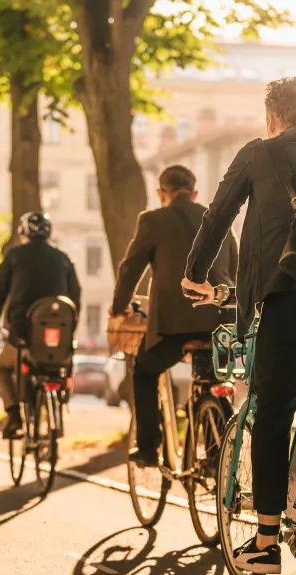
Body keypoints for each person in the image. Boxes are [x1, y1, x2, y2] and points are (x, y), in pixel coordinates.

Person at [183, 77, 296, 575]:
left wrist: (194, 275)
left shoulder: (257, 152)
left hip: (287, 297)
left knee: (272, 409)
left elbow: (217, 216)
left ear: (272, 117)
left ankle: (265, 537)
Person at [111, 165, 237, 467]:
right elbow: (236, 267)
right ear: (194, 193)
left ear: (161, 194)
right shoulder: (218, 219)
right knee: (213, 379)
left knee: (143, 370)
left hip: (175, 325)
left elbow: (131, 268)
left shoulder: (153, 220)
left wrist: (119, 307)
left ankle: (148, 449)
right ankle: (217, 455)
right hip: (222, 321)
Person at [0, 212, 81, 438]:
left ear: (23, 233)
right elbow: (76, 295)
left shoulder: (14, 256)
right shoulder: (64, 258)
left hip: (21, 333)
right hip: (57, 336)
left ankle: (14, 415)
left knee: (3, 368)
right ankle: (60, 401)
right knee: (58, 367)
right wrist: (70, 327)